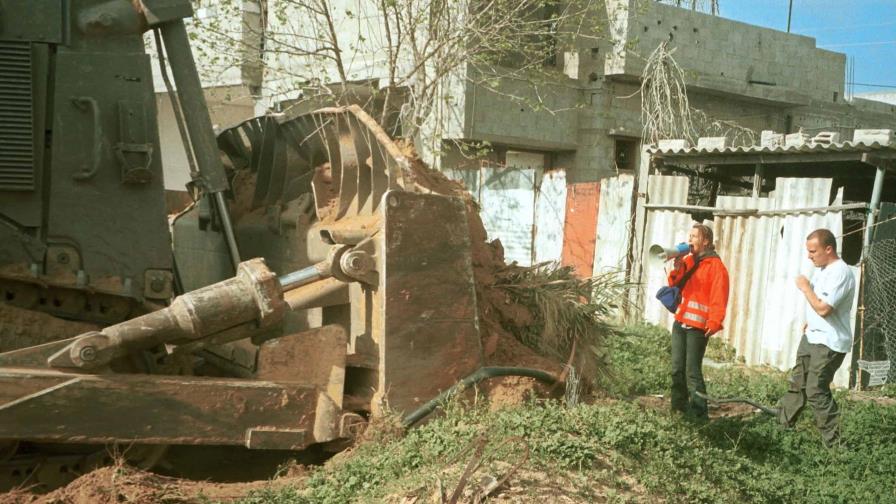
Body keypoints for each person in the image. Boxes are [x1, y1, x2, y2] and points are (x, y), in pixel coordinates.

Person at [776, 228, 855, 447]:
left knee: (816, 390)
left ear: (828, 249)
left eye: (813, 251)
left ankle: (836, 445)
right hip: (813, 336)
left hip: (829, 342)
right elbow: (820, 308)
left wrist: (805, 288)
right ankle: (782, 427)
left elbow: (824, 308)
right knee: (798, 383)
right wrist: (811, 321)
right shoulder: (823, 268)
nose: (809, 256)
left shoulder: (841, 272)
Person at [667, 223, 730, 420]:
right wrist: (677, 267)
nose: (690, 239)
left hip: (698, 328)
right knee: (677, 368)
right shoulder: (688, 260)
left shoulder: (716, 267)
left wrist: (714, 322)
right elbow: (674, 283)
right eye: (690, 235)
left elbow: (719, 296)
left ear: (705, 241)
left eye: (694, 236)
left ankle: (699, 414)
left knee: (692, 371)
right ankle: (678, 409)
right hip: (681, 322)